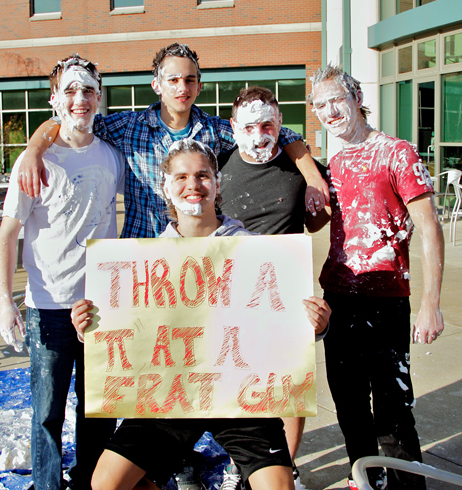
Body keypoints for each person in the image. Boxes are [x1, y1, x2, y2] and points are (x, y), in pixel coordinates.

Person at [71, 139, 331, 490]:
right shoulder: (141, 263)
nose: (193, 185)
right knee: (106, 482)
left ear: (217, 183)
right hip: (169, 395)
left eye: (202, 175)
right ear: (166, 187)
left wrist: (316, 324)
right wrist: (91, 327)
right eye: (181, 177)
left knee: (278, 487)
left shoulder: (258, 250)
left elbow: (285, 326)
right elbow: (127, 335)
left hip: (242, 396)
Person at [16, 43, 329, 236]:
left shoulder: (216, 131)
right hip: (141, 250)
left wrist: (313, 177)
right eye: (173, 80)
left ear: (198, 85)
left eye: (190, 79)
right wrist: (34, 149)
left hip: (194, 252)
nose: (182, 87)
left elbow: (280, 133)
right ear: (157, 84)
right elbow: (69, 120)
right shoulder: (126, 126)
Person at [308, 64, 444, 490]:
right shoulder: (329, 163)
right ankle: (366, 480)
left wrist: (430, 304)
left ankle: (406, 484)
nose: (330, 110)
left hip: (387, 300)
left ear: (357, 99)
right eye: (320, 104)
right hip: (338, 299)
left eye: (337, 100)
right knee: (348, 406)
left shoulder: (396, 152)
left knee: (393, 411)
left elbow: (430, 228)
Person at [0, 54, 124, 490]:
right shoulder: (35, 163)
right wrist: (5, 303)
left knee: (98, 408)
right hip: (47, 306)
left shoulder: (112, 156)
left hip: (99, 307)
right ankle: (47, 484)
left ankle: (90, 480)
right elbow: (7, 236)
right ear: (54, 99)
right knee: (46, 411)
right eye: (69, 90)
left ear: (99, 97)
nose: (79, 98)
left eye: (87, 89)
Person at [216, 85, 330, 489]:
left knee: (288, 388)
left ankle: (288, 465)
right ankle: (242, 464)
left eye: (268, 124)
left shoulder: (300, 168)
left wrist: (319, 199)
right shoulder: (219, 166)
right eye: (250, 126)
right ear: (233, 128)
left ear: (281, 125)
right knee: (236, 383)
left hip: (285, 295)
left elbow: (317, 221)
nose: (259, 133)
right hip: (230, 296)